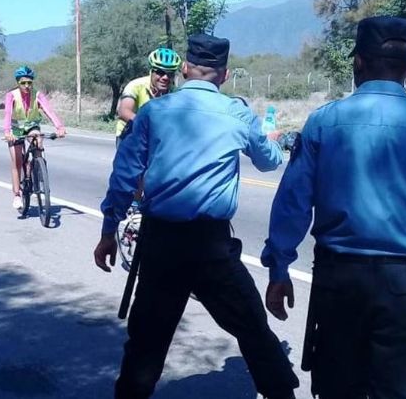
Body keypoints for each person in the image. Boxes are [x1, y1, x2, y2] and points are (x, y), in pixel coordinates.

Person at [260, 16, 406, 399]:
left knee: (337, 388)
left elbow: (293, 202)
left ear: (358, 62)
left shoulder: (323, 122)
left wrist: (279, 267)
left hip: (339, 281)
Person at [93, 34, 299, 399]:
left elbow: (124, 178)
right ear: (224, 75)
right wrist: (270, 138)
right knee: (253, 328)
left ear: (185, 69)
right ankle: (281, 392)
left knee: (146, 343)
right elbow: (269, 161)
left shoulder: (154, 112)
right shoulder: (236, 112)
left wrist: (109, 231)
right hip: (211, 247)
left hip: (161, 243)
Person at [2, 65, 66, 210]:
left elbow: (49, 111)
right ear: (18, 82)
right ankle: (17, 195)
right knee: (17, 160)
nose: (27, 86)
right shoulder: (11, 95)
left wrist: (59, 127)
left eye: (29, 82)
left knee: (38, 142)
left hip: (32, 126)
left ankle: (38, 170)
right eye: (23, 82)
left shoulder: (37, 94)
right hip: (16, 129)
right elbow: (7, 114)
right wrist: (7, 132)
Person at [115, 47, 182, 147]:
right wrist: (149, 125)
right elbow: (124, 111)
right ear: (151, 71)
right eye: (160, 72)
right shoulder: (136, 85)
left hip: (157, 138)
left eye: (170, 73)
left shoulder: (175, 93)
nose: (165, 77)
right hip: (130, 134)